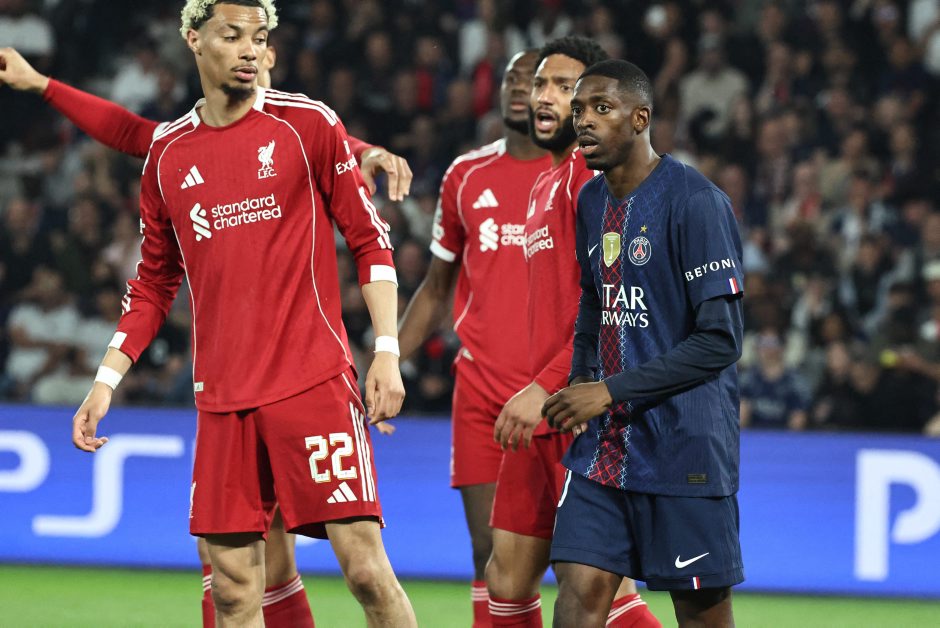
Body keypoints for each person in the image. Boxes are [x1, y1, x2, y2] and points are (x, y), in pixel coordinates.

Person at [0, 38, 414, 628]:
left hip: (307, 378)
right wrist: (42, 85)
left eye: (259, 42)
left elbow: (346, 183)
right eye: (235, 38)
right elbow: (131, 133)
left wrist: (366, 151)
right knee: (237, 580)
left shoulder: (303, 128)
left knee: (358, 571)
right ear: (199, 44)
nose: (249, 53)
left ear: (271, 56)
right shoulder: (179, 147)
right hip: (225, 391)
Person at [542, 59, 745, 627]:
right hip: (606, 449)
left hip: (685, 449)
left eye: (602, 108)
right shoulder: (590, 202)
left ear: (640, 118)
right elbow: (594, 299)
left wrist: (607, 391)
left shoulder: (696, 202)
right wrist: (582, 376)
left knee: (701, 616)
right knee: (578, 594)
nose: (584, 121)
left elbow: (720, 341)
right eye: (579, 110)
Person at [490, 38, 658, 628]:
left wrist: (548, 386)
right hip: (545, 405)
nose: (545, 97)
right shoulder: (546, 185)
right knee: (506, 579)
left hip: (579, 406)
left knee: (593, 588)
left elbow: (614, 309)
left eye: (565, 88)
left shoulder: (592, 184)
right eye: (542, 84)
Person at [397, 49, 551, 627]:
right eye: (512, 78)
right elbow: (436, 290)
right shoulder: (466, 176)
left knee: (581, 561)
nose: (520, 88)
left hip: (558, 393)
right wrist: (385, 361)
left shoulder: (581, 176)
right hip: (482, 393)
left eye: (534, 80)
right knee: (488, 552)